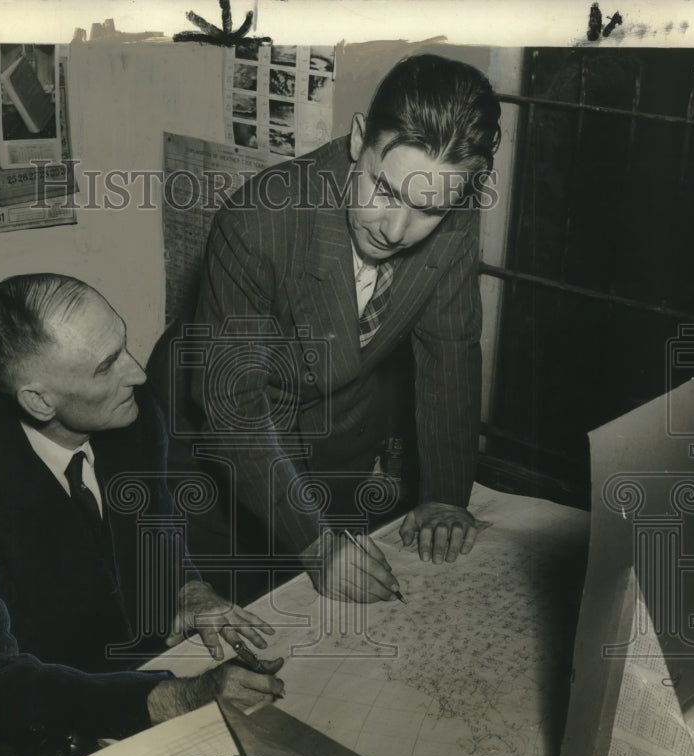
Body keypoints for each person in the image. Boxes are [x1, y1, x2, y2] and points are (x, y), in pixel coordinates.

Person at [0, 273, 282, 756]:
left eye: (124, 347)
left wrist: (186, 590)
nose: (137, 373)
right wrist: (173, 699)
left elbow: (155, 526)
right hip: (26, 739)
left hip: (133, 674)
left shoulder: (131, 416)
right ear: (39, 401)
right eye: (106, 367)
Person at [152, 53, 501, 606]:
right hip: (222, 450)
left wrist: (444, 496)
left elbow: (450, 353)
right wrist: (314, 544)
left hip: (334, 434)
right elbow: (231, 405)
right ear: (359, 138)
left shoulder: (452, 216)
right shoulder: (260, 220)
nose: (397, 229)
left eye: (429, 209)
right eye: (384, 191)